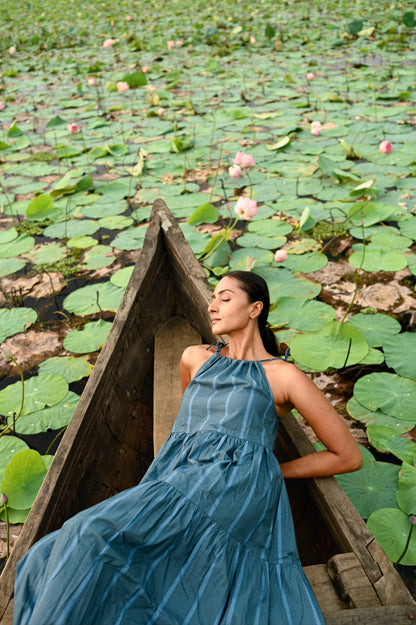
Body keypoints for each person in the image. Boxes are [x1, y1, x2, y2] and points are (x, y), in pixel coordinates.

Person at [13, 270, 362, 625]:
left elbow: (347, 455)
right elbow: (187, 431)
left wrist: (272, 470)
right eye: (212, 298)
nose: (212, 306)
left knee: (91, 534)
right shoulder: (194, 357)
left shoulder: (284, 376)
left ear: (255, 308)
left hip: (236, 488)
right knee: (72, 538)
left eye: (224, 298)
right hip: (179, 475)